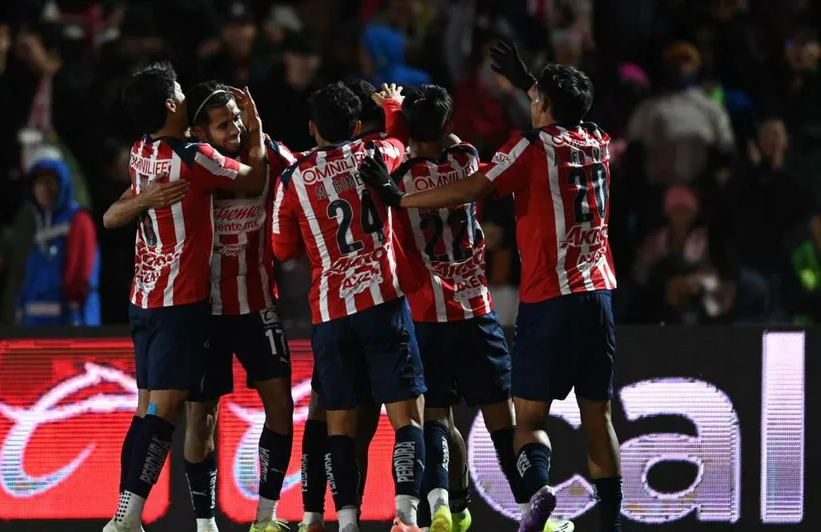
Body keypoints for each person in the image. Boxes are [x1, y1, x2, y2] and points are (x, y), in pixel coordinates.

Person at [359, 42, 622, 532]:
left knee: (452, 418)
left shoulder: (413, 172)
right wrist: (531, 85)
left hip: (463, 308)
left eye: (537, 98)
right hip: (546, 300)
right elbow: (557, 118)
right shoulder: (592, 139)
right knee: (573, 418)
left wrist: (396, 176)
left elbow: (450, 172)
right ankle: (570, 517)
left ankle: (449, 505)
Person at [380, 83, 573, 532]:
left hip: (426, 315)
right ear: (448, 123)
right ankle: (532, 509)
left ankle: (441, 505)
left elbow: (398, 146)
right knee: (502, 418)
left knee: (435, 415)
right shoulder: (465, 158)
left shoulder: (399, 176)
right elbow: (448, 141)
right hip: (476, 310)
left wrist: (394, 112)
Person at [100, 62, 268, 532]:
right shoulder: (195, 157)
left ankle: (127, 514)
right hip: (181, 302)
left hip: (144, 298)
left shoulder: (140, 152)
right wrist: (255, 129)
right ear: (172, 104)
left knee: (149, 409)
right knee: (166, 410)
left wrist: (142, 201)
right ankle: (128, 516)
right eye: (179, 92)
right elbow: (253, 179)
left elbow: (110, 217)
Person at [271, 82, 427, 532]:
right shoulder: (373, 152)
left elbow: (283, 251)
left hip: (331, 313)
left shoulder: (292, 180)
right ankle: (405, 516)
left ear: (312, 127)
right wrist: (393, 105)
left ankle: (346, 522)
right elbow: (401, 138)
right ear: (357, 126)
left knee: (339, 423)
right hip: (382, 302)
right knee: (407, 415)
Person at [180, 80, 298, 532]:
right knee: (201, 420)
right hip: (204, 310)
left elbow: (309, 177)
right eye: (223, 125)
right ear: (199, 132)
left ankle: (265, 518)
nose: (234, 130)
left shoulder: (269, 153)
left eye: (236, 119)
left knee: (281, 407)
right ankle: (205, 525)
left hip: (256, 304)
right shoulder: (191, 165)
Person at [17, 155, 101, 326]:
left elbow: (80, 275)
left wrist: (74, 314)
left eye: (50, 182)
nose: (44, 188)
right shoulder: (39, 226)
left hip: (68, 323)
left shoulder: (78, 220)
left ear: (63, 185)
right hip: (36, 325)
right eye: (39, 183)